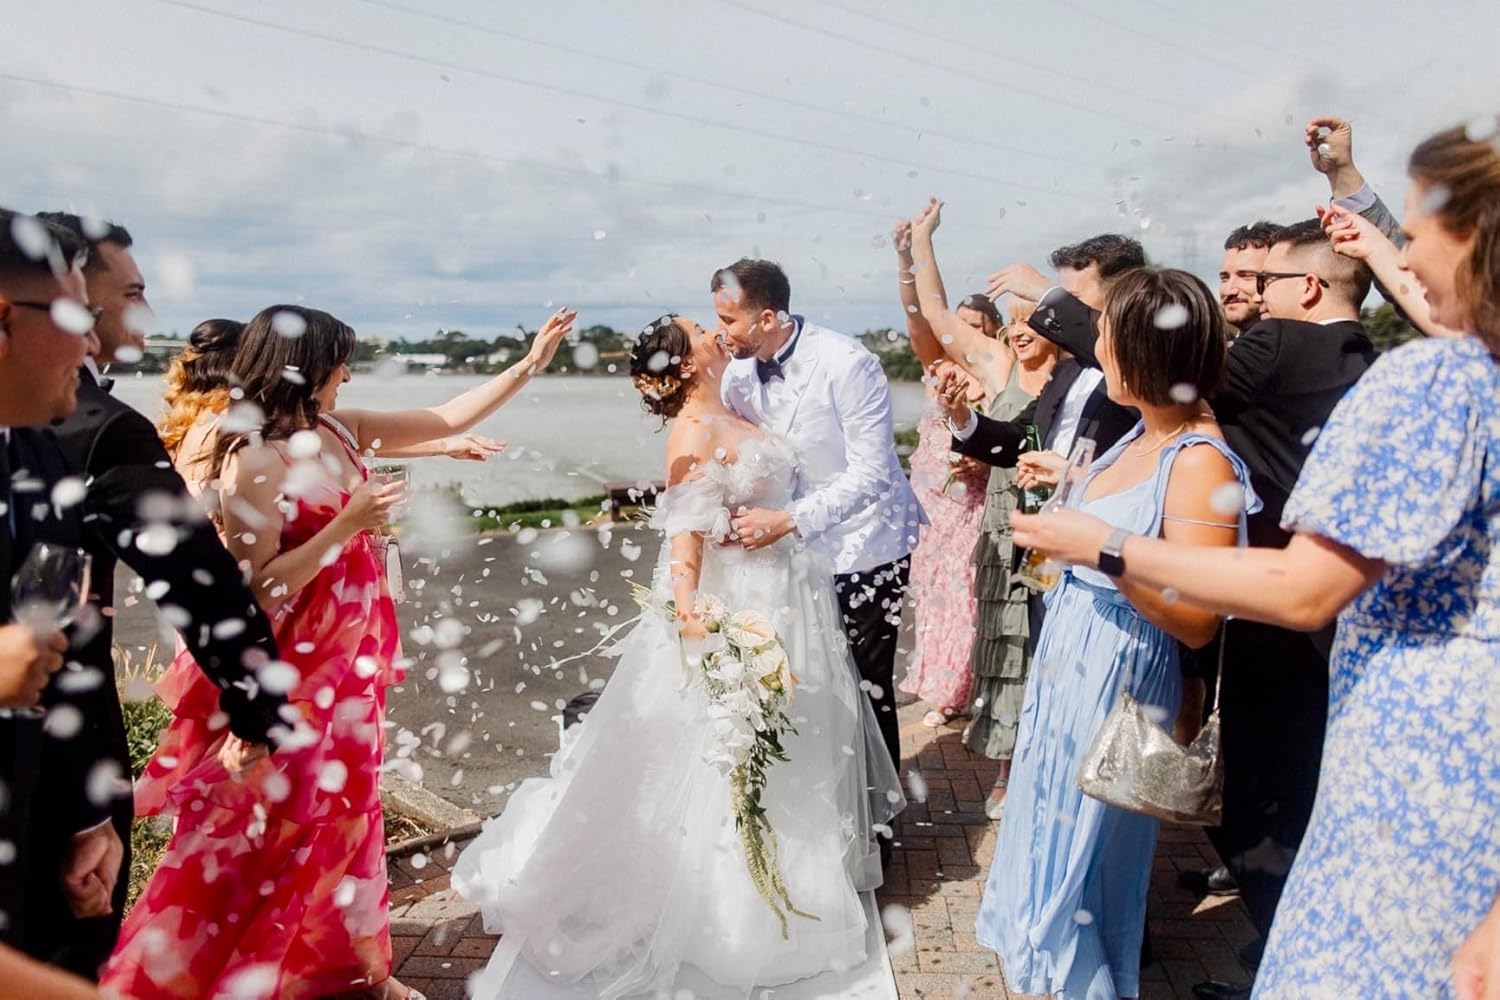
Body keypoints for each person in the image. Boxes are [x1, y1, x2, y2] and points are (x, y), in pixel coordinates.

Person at [1010, 120, 1500, 1000]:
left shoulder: (1437, 383)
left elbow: (1307, 590)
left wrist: (1106, 544)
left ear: (1472, 245)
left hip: (1412, 753)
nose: (1404, 252)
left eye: (1420, 230)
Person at [102, 302, 574, 1000]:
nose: (347, 376)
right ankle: (222, 972)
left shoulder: (336, 428)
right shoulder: (254, 459)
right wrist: (346, 526)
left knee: (350, 816)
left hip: (352, 665)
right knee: (274, 826)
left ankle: (357, 968)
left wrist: (528, 365)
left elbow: (445, 417)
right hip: (290, 672)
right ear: (304, 368)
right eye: (338, 364)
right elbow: (254, 589)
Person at [452, 315, 903, 997]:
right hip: (740, 599)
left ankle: (799, 881)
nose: (714, 331)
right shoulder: (692, 432)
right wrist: (697, 623)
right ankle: (730, 906)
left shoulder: (738, 403)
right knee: (725, 746)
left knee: (795, 734)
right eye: (699, 329)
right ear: (685, 363)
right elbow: (685, 537)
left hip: (789, 591)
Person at [973, 267, 1258, 1000]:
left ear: (1143, 351)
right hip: (1072, 661)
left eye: (1105, 334)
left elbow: (1198, 615)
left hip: (1119, 674)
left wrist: (1097, 548)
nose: (1096, 348)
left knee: (1083, 867)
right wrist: (1070, 483)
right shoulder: (1139, 432)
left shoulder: (1198, 461)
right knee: (1049, 842)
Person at [31, 214, 289, 979]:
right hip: (55, 762)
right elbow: (201, 584)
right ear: (74, 299)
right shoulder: (100, 429)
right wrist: (258, 705)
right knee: (62, 957)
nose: (145, 312)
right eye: (132, 293)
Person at [713, 258, 923, 783]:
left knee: (866, 684)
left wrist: (788, 519)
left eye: (728, 320)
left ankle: (880, 812)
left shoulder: (849, 363)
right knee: (811, 679)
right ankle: (830, 800)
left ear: (766, 318)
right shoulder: (737, 375)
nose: (721, 333)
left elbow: (874, 474)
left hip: (868, 543)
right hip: (794, 550)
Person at [0, 209, 111, 969]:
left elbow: (54, 638)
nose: (93, 345)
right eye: (78, 318)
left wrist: (78, 817)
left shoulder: (37, 445)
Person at [889, 219, 994, 728]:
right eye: (960, 322)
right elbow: (919, 318)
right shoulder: (937, 368)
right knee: (933, 594)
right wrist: (905, 259)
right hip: (931, 499)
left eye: (976, 326)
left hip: (971, 499)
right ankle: (941, 685)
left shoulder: (992, 377)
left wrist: (983, 459)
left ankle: (961, 689)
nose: (962, 332)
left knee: (965, 593)